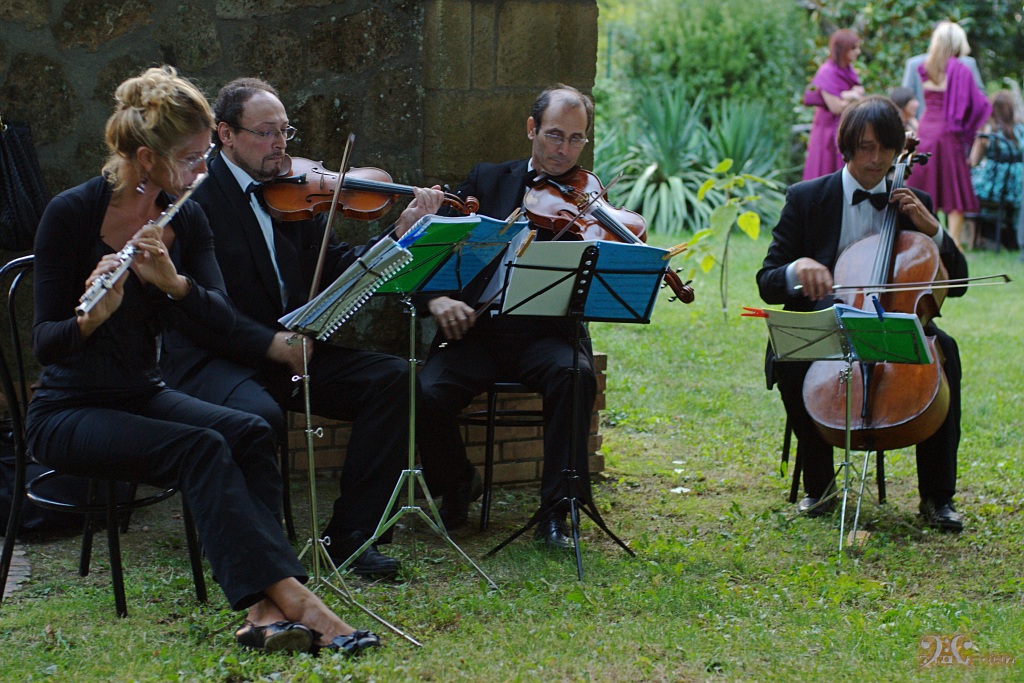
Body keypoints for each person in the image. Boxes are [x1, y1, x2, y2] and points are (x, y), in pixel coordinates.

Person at [25, 66, 379, 654]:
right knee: (201, 446)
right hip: (69, 408)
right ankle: (304, 606)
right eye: (190, 160)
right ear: (145, 158)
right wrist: (91, 316)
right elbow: (45, 343)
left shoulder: (184, 216)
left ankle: (267, 614)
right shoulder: (71, 213)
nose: (202, 171)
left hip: (142, 391)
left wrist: (174, 284)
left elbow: (217, 316)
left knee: (246, 429)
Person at [159, 77, 443, 577]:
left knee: (395, 379)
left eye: (285, 132)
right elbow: (192, 309)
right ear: (226, 134)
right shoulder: (196, 198)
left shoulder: (292, 192)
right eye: (266, 133)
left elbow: (334, 263)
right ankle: (260, 553)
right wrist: (270, 344)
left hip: (291, 347)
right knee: (259, 414)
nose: (280, 145)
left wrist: (398, 235)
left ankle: (352, 537)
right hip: (221, 357)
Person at [757, 95, 969, 532]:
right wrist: (799, 269)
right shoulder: (806, 198)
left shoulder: (915, 200)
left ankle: (937, 497)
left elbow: (960, 283)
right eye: (866, 148)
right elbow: (767, 278)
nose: (876, 160)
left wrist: (935, 230)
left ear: (898, 150)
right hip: (829, 320)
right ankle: (821, 487)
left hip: (897, 322)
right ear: (848, 148)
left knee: (945, 351)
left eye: (886, 149)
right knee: (788, 355)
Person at [416, 85, 598, 548]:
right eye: (555, 135)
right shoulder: (487, 180)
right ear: (531, 129)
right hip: (479, 329)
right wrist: (437, 298)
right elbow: (437, 244)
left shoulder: (587, 201)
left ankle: (557, 513)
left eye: (577, 139)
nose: (565, 150)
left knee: (575, 375)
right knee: (425, 393)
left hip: (546, 332)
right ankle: (458, 481)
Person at [904, 21, 992, 247]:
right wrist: (969, 128)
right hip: (948, 134)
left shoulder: (924, 66)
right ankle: (954, 244)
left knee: (924, 187)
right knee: (954, 191)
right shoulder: (960, 70)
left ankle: (923, 239)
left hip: (926, 130)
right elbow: (979, 105)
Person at [802, 29, 865, 181]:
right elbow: (836, 107)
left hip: (845, 127)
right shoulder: (827, 71)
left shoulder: (848, 69)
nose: (858, 52)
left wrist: (847, 95)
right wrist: (852, 95)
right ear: (843, 49)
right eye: (854, 48)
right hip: (827, 132)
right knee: (825, 173)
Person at [968, 90, 1024, 247]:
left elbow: (973, 161)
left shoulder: (988, 130)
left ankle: (975, 237)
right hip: (1018, 190)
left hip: (993, 189)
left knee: (964, 186)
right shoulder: (1021, 128)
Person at [902, 24, 984, 120]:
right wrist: (913, 124)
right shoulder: (916, 65)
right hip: (926, 126)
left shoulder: (968, 64)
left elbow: (980, 97)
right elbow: (904, 100)